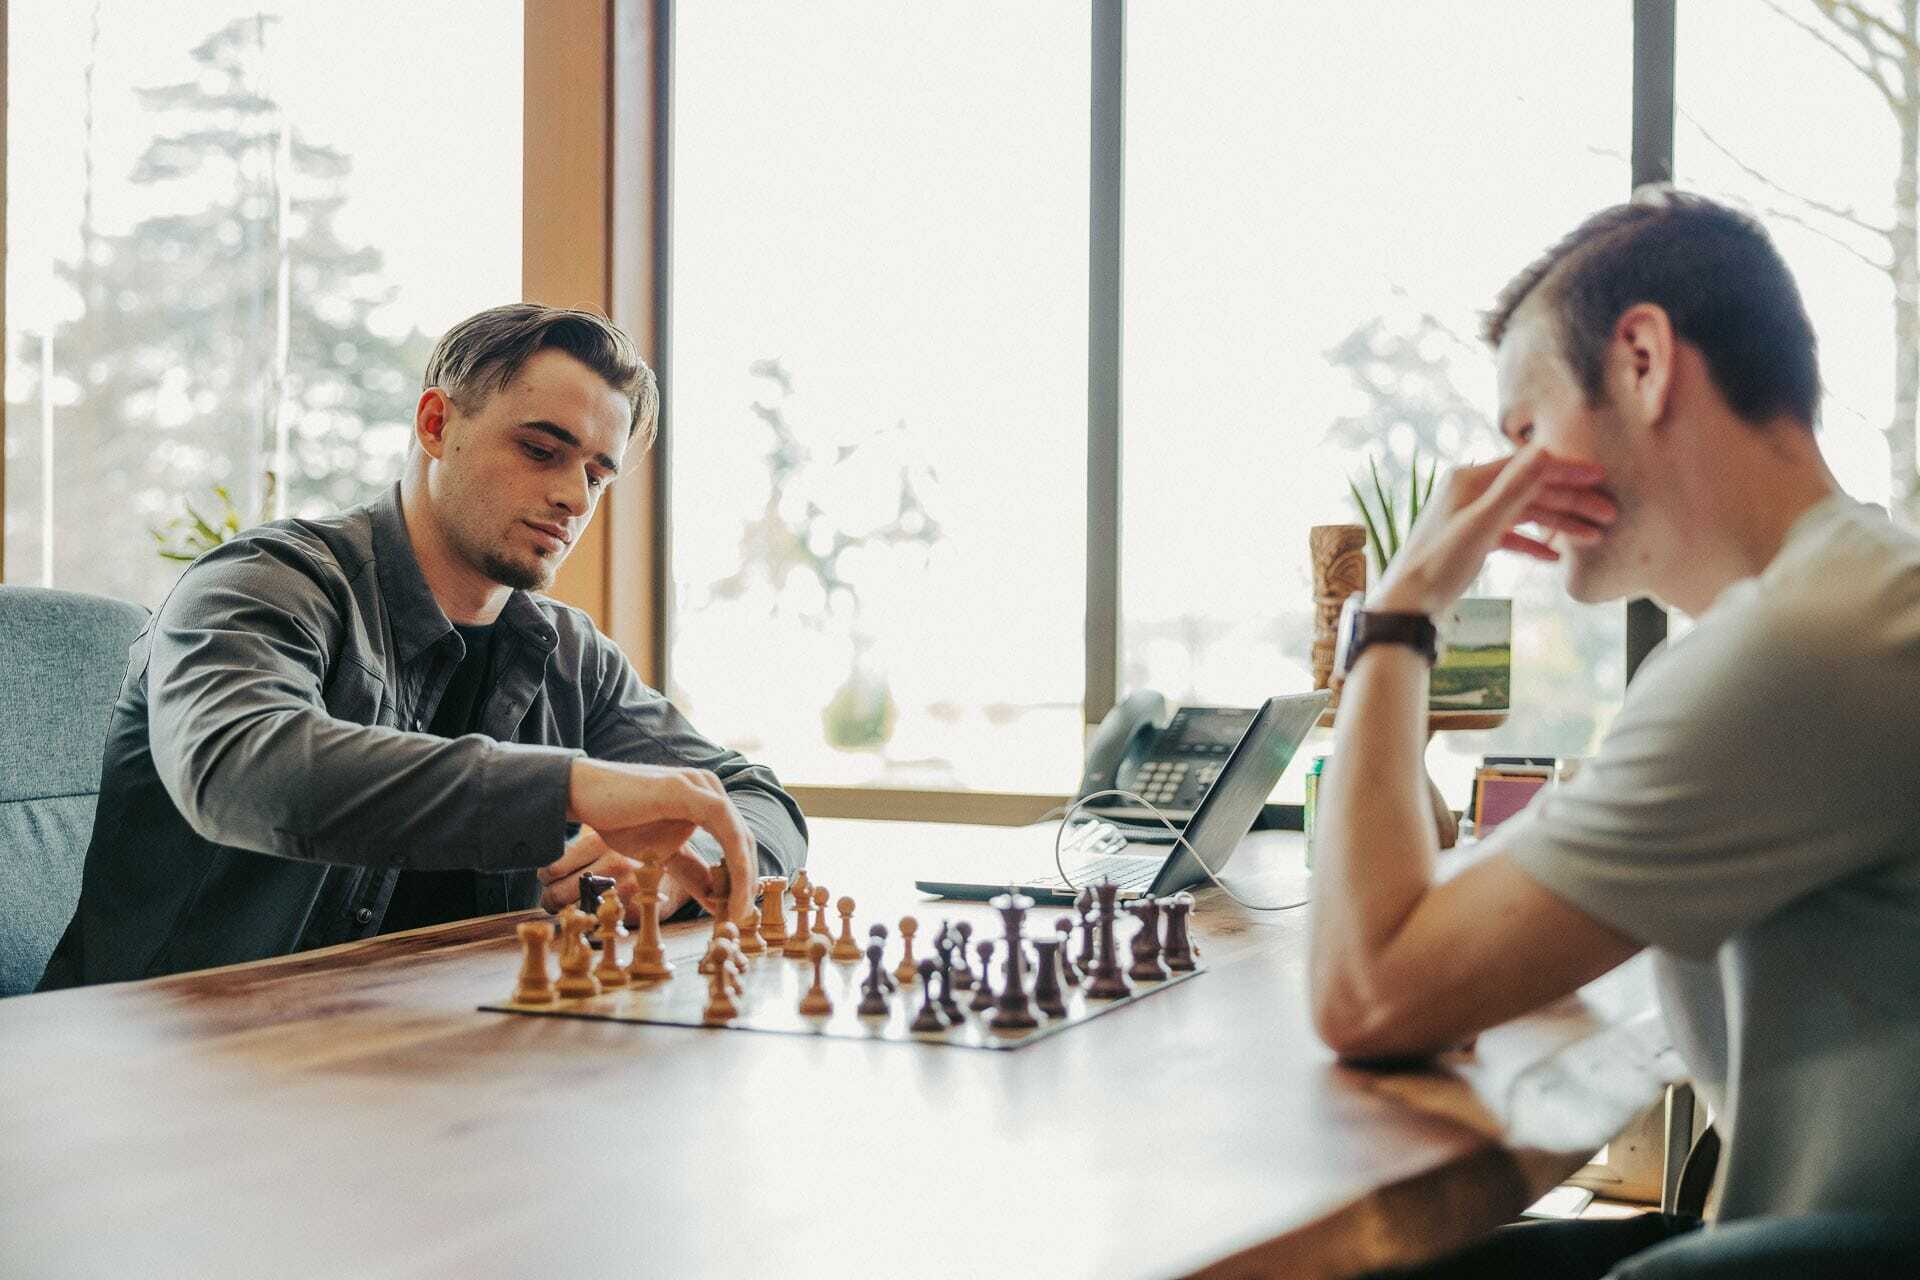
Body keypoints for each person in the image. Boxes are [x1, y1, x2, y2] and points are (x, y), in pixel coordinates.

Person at [1312, 192, 1920, 1277]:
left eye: (1525, 431)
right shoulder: (1836, 602)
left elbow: (1367, 994)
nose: (1504, 484)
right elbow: (1457, 936)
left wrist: (1400, 612)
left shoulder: (1802, 648)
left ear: (1641, 358)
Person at [39, 304, 806, 989]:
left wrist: (669, 878)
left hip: (415, 1063)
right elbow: (239, 764)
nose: (574, 497)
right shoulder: (261, 584)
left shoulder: (569, 656)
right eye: (542, 451)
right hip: (155, 1072)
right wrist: (568, 786)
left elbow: (757, 801)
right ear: (437, 425)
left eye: (597, 475)